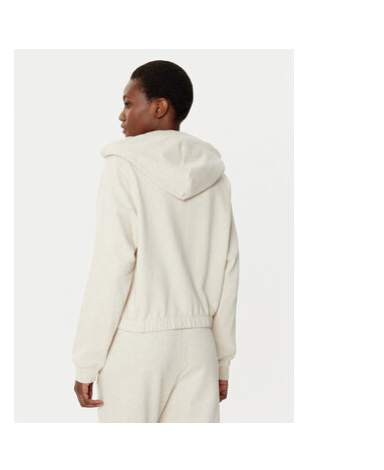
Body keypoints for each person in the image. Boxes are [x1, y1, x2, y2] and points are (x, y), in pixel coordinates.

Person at [72, 60, 240, 423]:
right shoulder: (215, 178)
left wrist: (86, 361)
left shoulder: (124, 167)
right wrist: (221, 360)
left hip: (138, 346)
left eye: (129, 103)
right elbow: (229, 271)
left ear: (160, 107)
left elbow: (112, 266)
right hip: (198, 347)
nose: (121, 115)